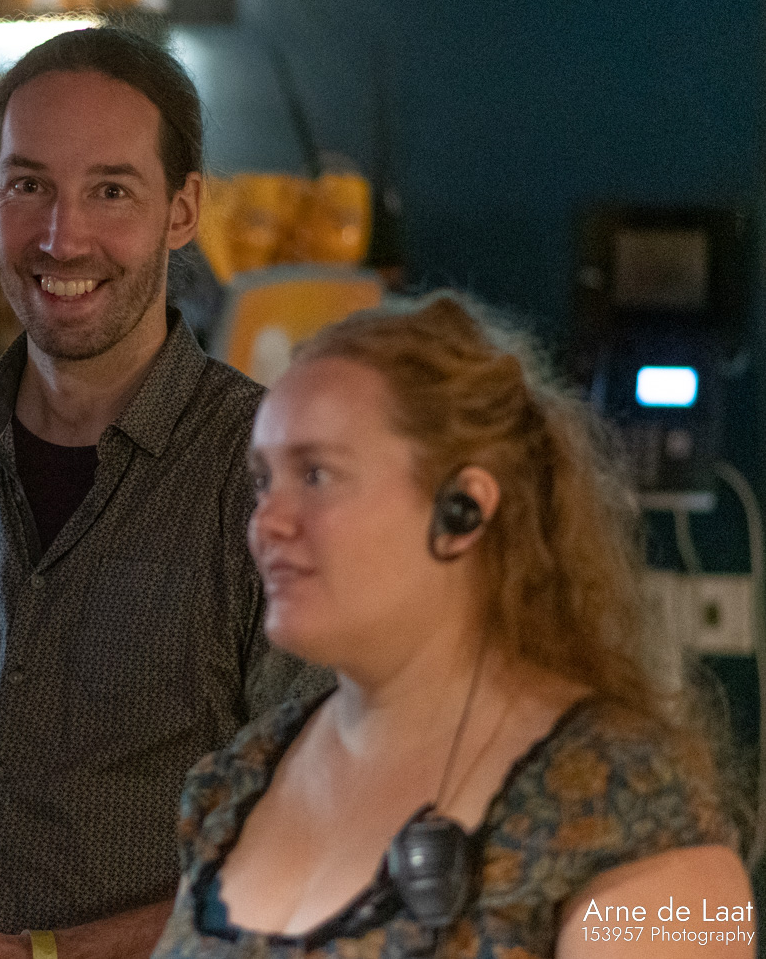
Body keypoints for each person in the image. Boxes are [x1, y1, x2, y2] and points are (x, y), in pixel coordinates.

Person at [0, 27, 328, 959]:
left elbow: (321, 840)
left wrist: (40, 956)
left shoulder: (269, 482)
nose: (62, 236)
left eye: (110, 191)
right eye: (29, 186)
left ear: (183, 210)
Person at [152, 294, 753, 959]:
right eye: (264, 481)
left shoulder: (631, 798)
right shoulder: (236, 783)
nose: (267, 522)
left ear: (462, 509)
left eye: (317, 475)